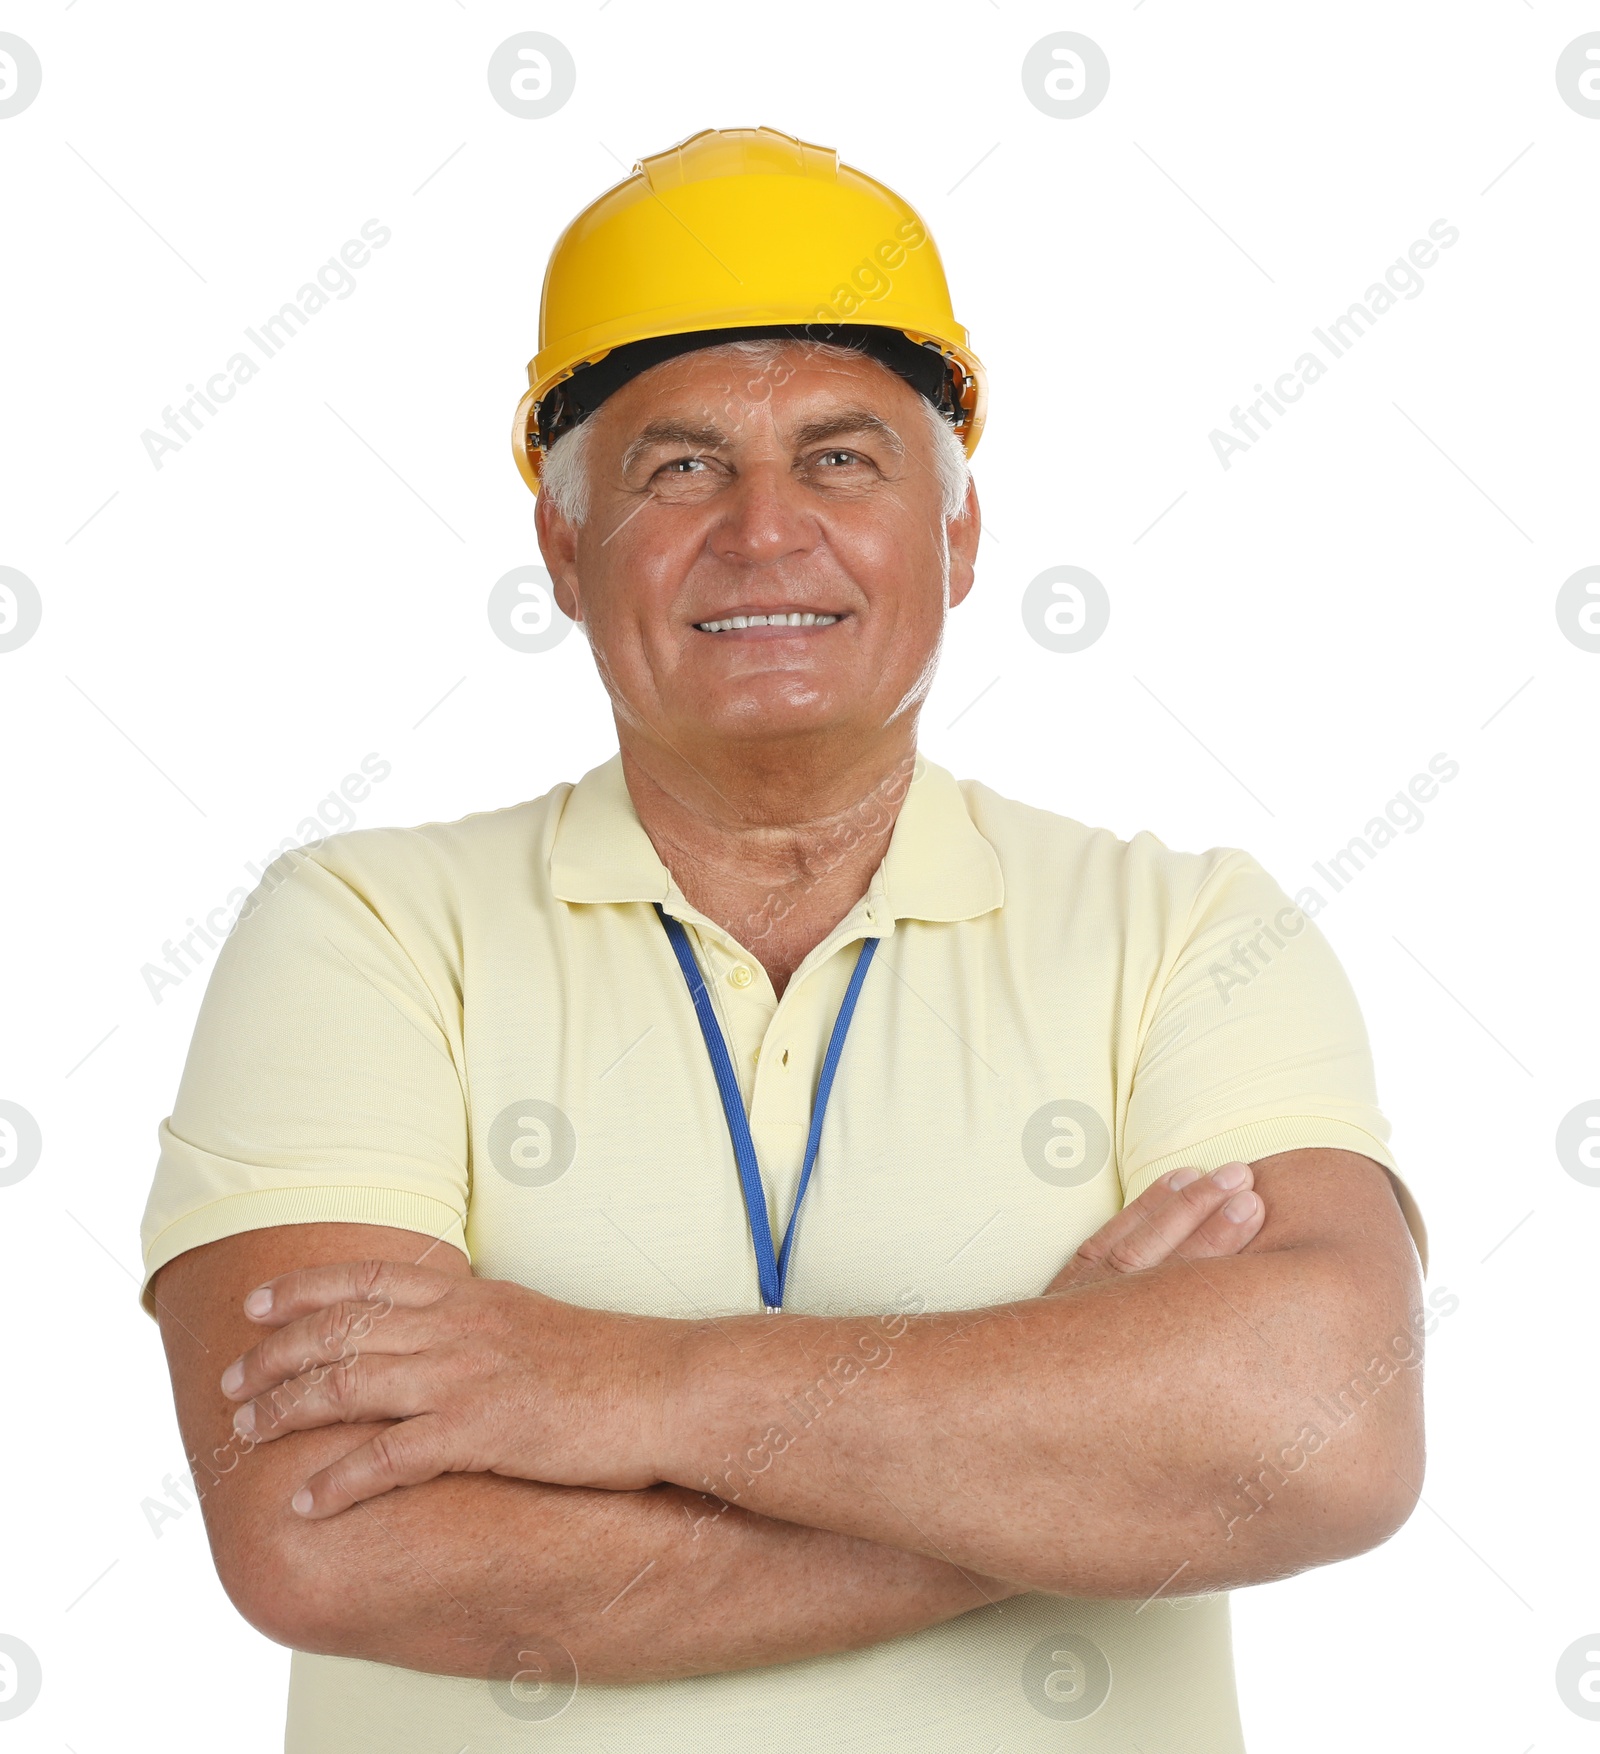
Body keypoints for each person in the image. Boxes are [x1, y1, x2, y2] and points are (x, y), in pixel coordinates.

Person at [142, 126, 1429, 1753]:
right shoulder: (367, 933)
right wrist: (1074, 1471)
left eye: (842, 458)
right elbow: (327, 1536)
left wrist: (614, 1387)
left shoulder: (1189, 935)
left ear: (956, 540)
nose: (765, 530)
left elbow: (1332, 1433)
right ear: (563, 545)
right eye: (681, 465)